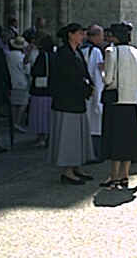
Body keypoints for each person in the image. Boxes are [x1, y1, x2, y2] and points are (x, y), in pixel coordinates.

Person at [47, 23, 95, 185]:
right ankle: (67, 171)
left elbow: (83, 73)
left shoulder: (77, 52)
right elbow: (68, 78)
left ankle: (76, 166)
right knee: (68, 136)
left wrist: (89, 86)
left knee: (77, 135)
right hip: (66, 101)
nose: (82, 36)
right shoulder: (63, 54)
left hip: (77, 100)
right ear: (71, 35)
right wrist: (85, 87)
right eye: (80, 33)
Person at [100, 22, 137, 188]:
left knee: (115, 139)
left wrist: (102, 72)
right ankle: (125, 175)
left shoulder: (111, 51)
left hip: (116, 101)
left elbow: (108, 79)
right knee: (129, 139)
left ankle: (114, 175)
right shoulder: (136, 52)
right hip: (131, 100)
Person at [80, 25, 105, 156]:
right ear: (94, 36)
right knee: (94, 125)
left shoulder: (81, 49)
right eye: (101, 35)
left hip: (83, 93)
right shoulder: (95, 52)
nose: (103, 38)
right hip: (92, 93)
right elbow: (97, 77)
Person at [28, 35, 55, 148]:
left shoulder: (42, 56)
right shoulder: (54, 55)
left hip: (40, 89)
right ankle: (48, 136)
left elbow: (36, 71)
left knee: (40, 115)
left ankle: (42, 137)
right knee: (48, 115)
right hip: (51, 88)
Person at [7, 35, 31, 133]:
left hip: (11, 82)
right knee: (22, 104)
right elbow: (27, 70)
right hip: (22, 82)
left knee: (13, 104)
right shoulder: (23, 57)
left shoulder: (7, 55)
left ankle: (13, 122)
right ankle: (17, 122)